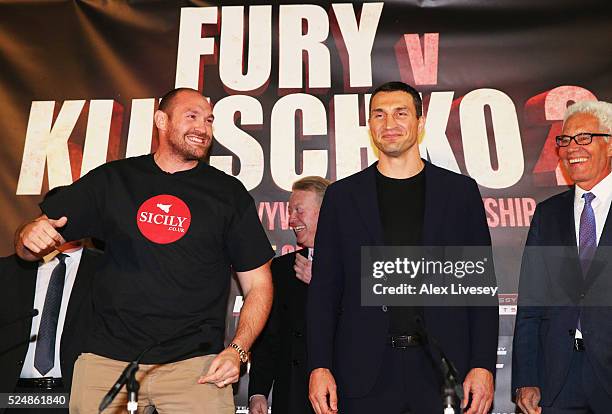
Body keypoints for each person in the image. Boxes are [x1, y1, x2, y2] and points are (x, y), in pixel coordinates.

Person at [15, 87, 274, 413]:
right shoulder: (113, 180)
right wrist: (27, 236)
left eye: (208, 120)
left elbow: (259, 284)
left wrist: (238, 350)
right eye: (191, 117)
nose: (203, 128)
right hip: (106, 363)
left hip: (195, 368)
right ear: (161, 120)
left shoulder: (228, 194)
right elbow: (31, 243)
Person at [307, 81, 498, 414]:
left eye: (401, 113)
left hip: (443, 372)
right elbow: (324, 292)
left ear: (420, 124)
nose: (389, 124)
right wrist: (319, 365)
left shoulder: (459, 194)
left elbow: (479, 291)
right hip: (363, 372)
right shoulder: (342, 197)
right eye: (379, 115)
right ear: (370, 126)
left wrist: (482, 365)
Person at [512, 101, 612, 414]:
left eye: (584, 138)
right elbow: (530, 302)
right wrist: (526, 377)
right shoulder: (548, 214)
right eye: (565, 140)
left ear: (609, 145)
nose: (571, 148)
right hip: (557, 379)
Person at [249, 176, 331, 414]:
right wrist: (258, 392)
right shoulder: (282, 269)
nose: (291, 219)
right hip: (293, 397)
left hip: (343, 395)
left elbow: (368, 329)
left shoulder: (356, 266)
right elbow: (269, 336)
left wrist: (323, 285)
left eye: (298, 210)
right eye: (289, 211)